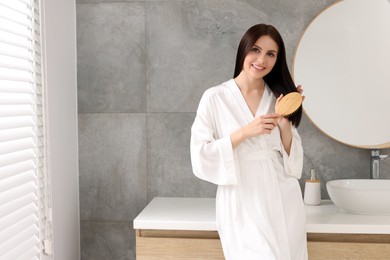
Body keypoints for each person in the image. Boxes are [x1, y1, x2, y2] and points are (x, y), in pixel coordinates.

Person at [190, 24, 308, 260]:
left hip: (282, 195)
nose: (261, 59)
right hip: (242, 196)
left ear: (277, 59)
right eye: (255, 49)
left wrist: (285, 124)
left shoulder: (277, 96)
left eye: (270, 54)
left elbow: (293, 163)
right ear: (244, 49)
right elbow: (200, 153)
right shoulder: (215, 97)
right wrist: (244, 133)